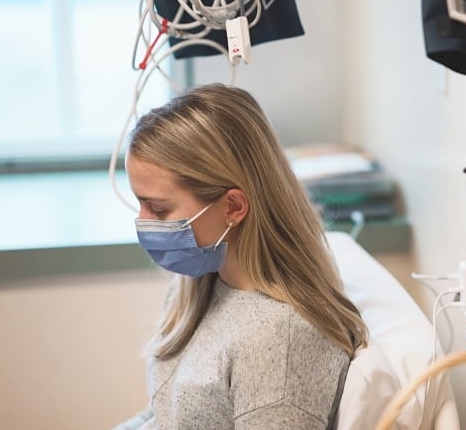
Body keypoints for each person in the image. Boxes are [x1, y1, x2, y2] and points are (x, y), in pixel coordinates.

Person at [114, 83, 368, 430]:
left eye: (158, 208)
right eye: (140, 203)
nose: (142, 222)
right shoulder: (199, 282)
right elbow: (162, 412)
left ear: (233, 206)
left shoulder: (282, 343)